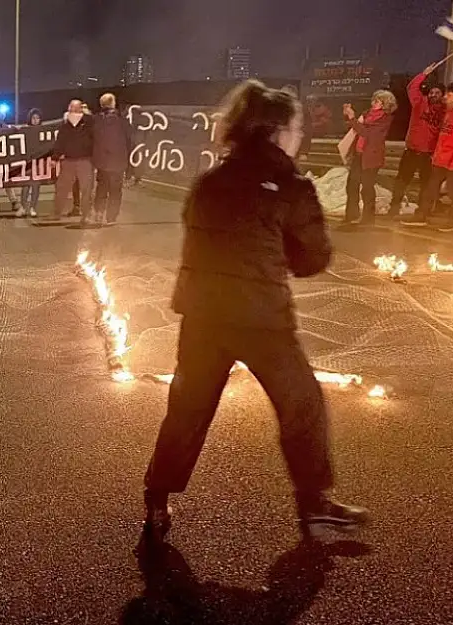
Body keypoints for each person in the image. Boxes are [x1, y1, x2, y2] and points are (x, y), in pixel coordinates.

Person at [142, 80, 367, 542]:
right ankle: (315, 504)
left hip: (202, 314)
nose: (300, 137)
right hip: (262, 318)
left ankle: (157, 499)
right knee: (302, 405)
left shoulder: (209, 180)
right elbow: (311, 259)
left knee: (187, 409)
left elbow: (196, 235)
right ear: (278, 131)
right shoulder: (291, 185)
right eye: (298, 127)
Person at [402, 82, 453, 232]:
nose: (446, 97)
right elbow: (443, 136)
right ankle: (422, 215)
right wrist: (436, 155)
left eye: (449, 95)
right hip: (439, 160)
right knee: (430, 189)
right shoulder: (449, 112)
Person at [389, 63, 445, 217]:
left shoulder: (444, 111)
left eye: (437, 93)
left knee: (426, 184)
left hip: (428, 155)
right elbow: (411, 88)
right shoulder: (419, 103)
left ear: (442, 95)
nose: (434, 95)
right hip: (411, 151)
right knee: (402, 181)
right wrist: (424, 74)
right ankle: (393, 208)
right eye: (432, 92)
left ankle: (422, 211)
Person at [341, 90, 396, 227]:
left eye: (377, 101)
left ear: (385, 104)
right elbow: (353, 128)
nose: (373, 103)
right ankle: (351, 214)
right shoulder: (367, 114)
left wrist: (353, 118)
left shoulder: (385, 119)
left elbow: (367, 133)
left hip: (372, 157)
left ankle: (368, 217)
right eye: (373, 100)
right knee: (352, 184)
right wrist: (347, 115)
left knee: (367, 187)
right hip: (359, 154)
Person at [92, 93, 135, 225]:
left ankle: (99, 213)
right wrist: (130, 167)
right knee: (115, 191)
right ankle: (111, 217)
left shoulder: (96, 121)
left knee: (101, 189)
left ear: (101, 105)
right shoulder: (122, 122)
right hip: (118, 162)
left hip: (102, 163)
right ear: (113, 104)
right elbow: (130, 142)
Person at [49, 99, 95, 223]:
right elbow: (60, 143)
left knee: (86, 189)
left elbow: (95, 139)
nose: (72, 111)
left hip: (85, 160)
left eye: (75, 109)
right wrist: (55, 158)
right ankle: (56, 213)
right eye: (71, 109)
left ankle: (86, 215)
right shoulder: (65, 125)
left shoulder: (89, 122)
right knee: (62, 188)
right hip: (69, 161)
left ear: (80, 109)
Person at [17, 108, 43, 218]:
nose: (35, 120)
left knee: (36, 185)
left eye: (37, 118)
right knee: (25, 185)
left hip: (38, 162)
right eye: (33, 118)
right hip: (26, 162)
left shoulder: (43, 130)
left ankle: (33, 207)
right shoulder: (25, 130)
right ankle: (23, 207)